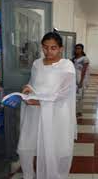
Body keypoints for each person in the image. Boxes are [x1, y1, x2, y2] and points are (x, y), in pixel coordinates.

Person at [18, 32, 77, 179]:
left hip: (55, 113)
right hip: (34, 111)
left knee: (53, 147)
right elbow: (34, 83)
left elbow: (64, 93)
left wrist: (40, 102)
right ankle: (28, 175)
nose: (48, 51)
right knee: (25, 147)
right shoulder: (37, 63)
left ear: (61, 48)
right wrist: (27, 89)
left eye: (53, 48)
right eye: (45, 48)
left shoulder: (67, 66)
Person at [72, 43, 90, 117]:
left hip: (81, 78)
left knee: (80, 95)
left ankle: (79, 111)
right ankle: (74, 110)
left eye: (79, 48)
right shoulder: (74, 59)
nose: (77, 50)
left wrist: (81, 81)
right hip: (74, 78)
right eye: (76, 48)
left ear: (82, 49)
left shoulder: (85, 59)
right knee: (74, 95)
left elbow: (84, 71)